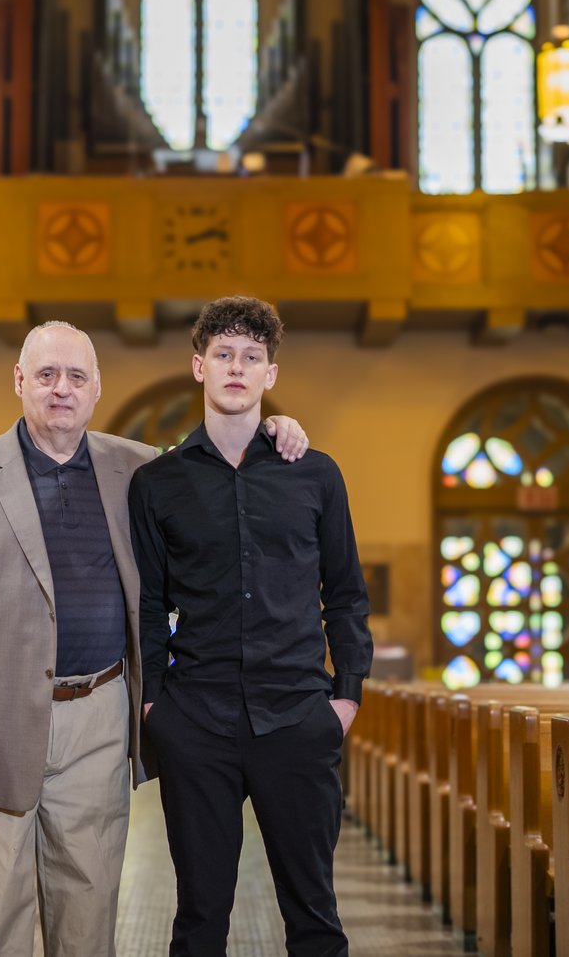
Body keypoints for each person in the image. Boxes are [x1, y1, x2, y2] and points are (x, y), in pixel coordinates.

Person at [0, 321, 308, 957]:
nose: (60, 389)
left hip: (99, 712)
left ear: (96, 389)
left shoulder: (139, 469)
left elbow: (217, 464)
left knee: (88, 907)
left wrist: (272, 431)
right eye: (45, 374)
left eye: (76, 376)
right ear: (19, 382)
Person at [130, 296, 373, 957]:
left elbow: (347, 593)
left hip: (297, 714)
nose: (237, 367)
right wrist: (155, 704)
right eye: (224, 354)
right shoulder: (158, 483)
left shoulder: (315, 474)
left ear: (269, 374)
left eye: (252, 356)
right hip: (196, 719)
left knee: (315, 918)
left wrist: (345, 696)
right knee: (199, 918)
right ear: (198, 365)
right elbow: (149, 604)